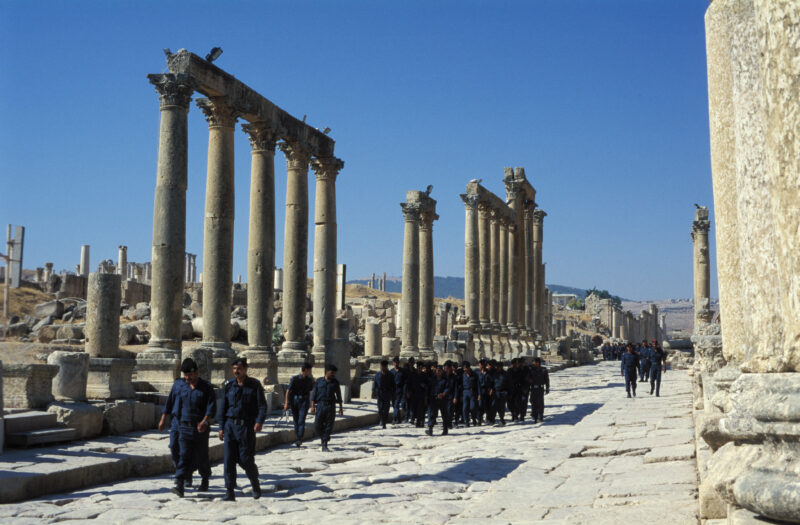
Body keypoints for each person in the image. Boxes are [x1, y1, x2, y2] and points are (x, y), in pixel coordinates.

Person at [219, 358, 266, 501]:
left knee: (246, 459)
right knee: (228, 460)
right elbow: (223, 407)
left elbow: (262, 406)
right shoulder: (229, 385)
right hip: (230, 426)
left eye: (239, 368)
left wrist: (259, 421)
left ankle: (255, 483)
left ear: (245, 369)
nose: (236, 371)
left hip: (246, 427)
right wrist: (221, 427)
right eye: (234, 369)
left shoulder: (254, 385)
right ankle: (229, 491)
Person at [170, 358, 216, 497]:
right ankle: (180, 484)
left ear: (196, 372)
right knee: (183, 455)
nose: (188, 378)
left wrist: (205, 421)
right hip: (184, 427)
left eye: (190, 375)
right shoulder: (182, 387)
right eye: (185, 375)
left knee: (201, 456)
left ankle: (205, 479)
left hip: (200, 428)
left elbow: (211, 407)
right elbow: (177, 406)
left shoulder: (206, 387)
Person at [310, 364, 344, 451]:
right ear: (327, 372)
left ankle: (324, 444)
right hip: (320, 405)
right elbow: (314, 395)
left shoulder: (335, 382)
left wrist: (340, 408)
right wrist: (312, 406)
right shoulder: (319, 381)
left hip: (331, 406)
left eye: (334, 373)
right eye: (332, 373)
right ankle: (324, 437)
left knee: (329, 425)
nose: (333, 374)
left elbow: (339, 396)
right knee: (317, 426)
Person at [284, 362, 314, 447]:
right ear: (306, 370)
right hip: (295, 401)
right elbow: (288, 391)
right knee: (296, 420)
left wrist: (311, 404)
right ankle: (298, 437)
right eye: (309, 370)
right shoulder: (295, 379)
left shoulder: (309, 380)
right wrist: (286, 403)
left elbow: (310, 392)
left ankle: (299, 438)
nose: (310, 372)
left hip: (304, 401)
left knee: (301, 420)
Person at [426, 364, 451, 436]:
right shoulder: (432, 379)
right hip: (434, 399)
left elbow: (447, 388)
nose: (438, 372)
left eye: (440, 370)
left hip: (442, 400)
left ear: (442, 371)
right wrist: (426, 397)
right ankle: (430, 429)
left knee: (444, 415)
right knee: (432, 414)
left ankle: (445, 429)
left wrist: (443, 394)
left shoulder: (445, 379)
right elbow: (428, 389)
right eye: (437, 370)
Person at [372, 360, 395, 429]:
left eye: (384, 366)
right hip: (380, 393)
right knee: (380, 409)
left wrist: (393, 394)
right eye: (381, 366)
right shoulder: (378, 374)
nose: (382, 368)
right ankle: (382, 419)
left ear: (386, 367)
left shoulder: (390, 375)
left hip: (387, 393)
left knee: (386, 409)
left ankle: (384, 422)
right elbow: (375, 383)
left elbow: (393, 385)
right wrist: (373, 391)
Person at [529, 357, 550, 423]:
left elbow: (547, 380)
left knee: (540, 403)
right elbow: (527, 377)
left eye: (534, 362)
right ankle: (535, 416)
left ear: (538, 363)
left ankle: (540, 416)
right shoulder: (531, 369)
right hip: (533, 388)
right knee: (533, 402)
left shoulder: (543, 370)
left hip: (540, 388)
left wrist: (547, 388)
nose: (533, 363)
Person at [460, 362, 479, 426]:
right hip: (465, 392)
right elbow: (461, 385)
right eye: (464, 368)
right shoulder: (463, 375)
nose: (465, 369)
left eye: (466, 368)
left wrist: (479, 394)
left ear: (469, 368)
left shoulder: (474, 375)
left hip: (472, 392)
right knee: (465, 408)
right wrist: (461, 395)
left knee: (472, 407)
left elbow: (478, 385)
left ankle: (474, 419)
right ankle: (467, 421)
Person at [390, 357, 406, 423]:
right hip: (393, 390)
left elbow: (404, 381)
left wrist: (404, 390)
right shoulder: (391, 371)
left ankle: (394, 418)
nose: (396, 364)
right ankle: (399, 419)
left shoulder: (402, 371)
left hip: (400, 390)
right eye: (395, 362)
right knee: (394, 405)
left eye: (397, 362)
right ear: (393, 363)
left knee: (396, 404)